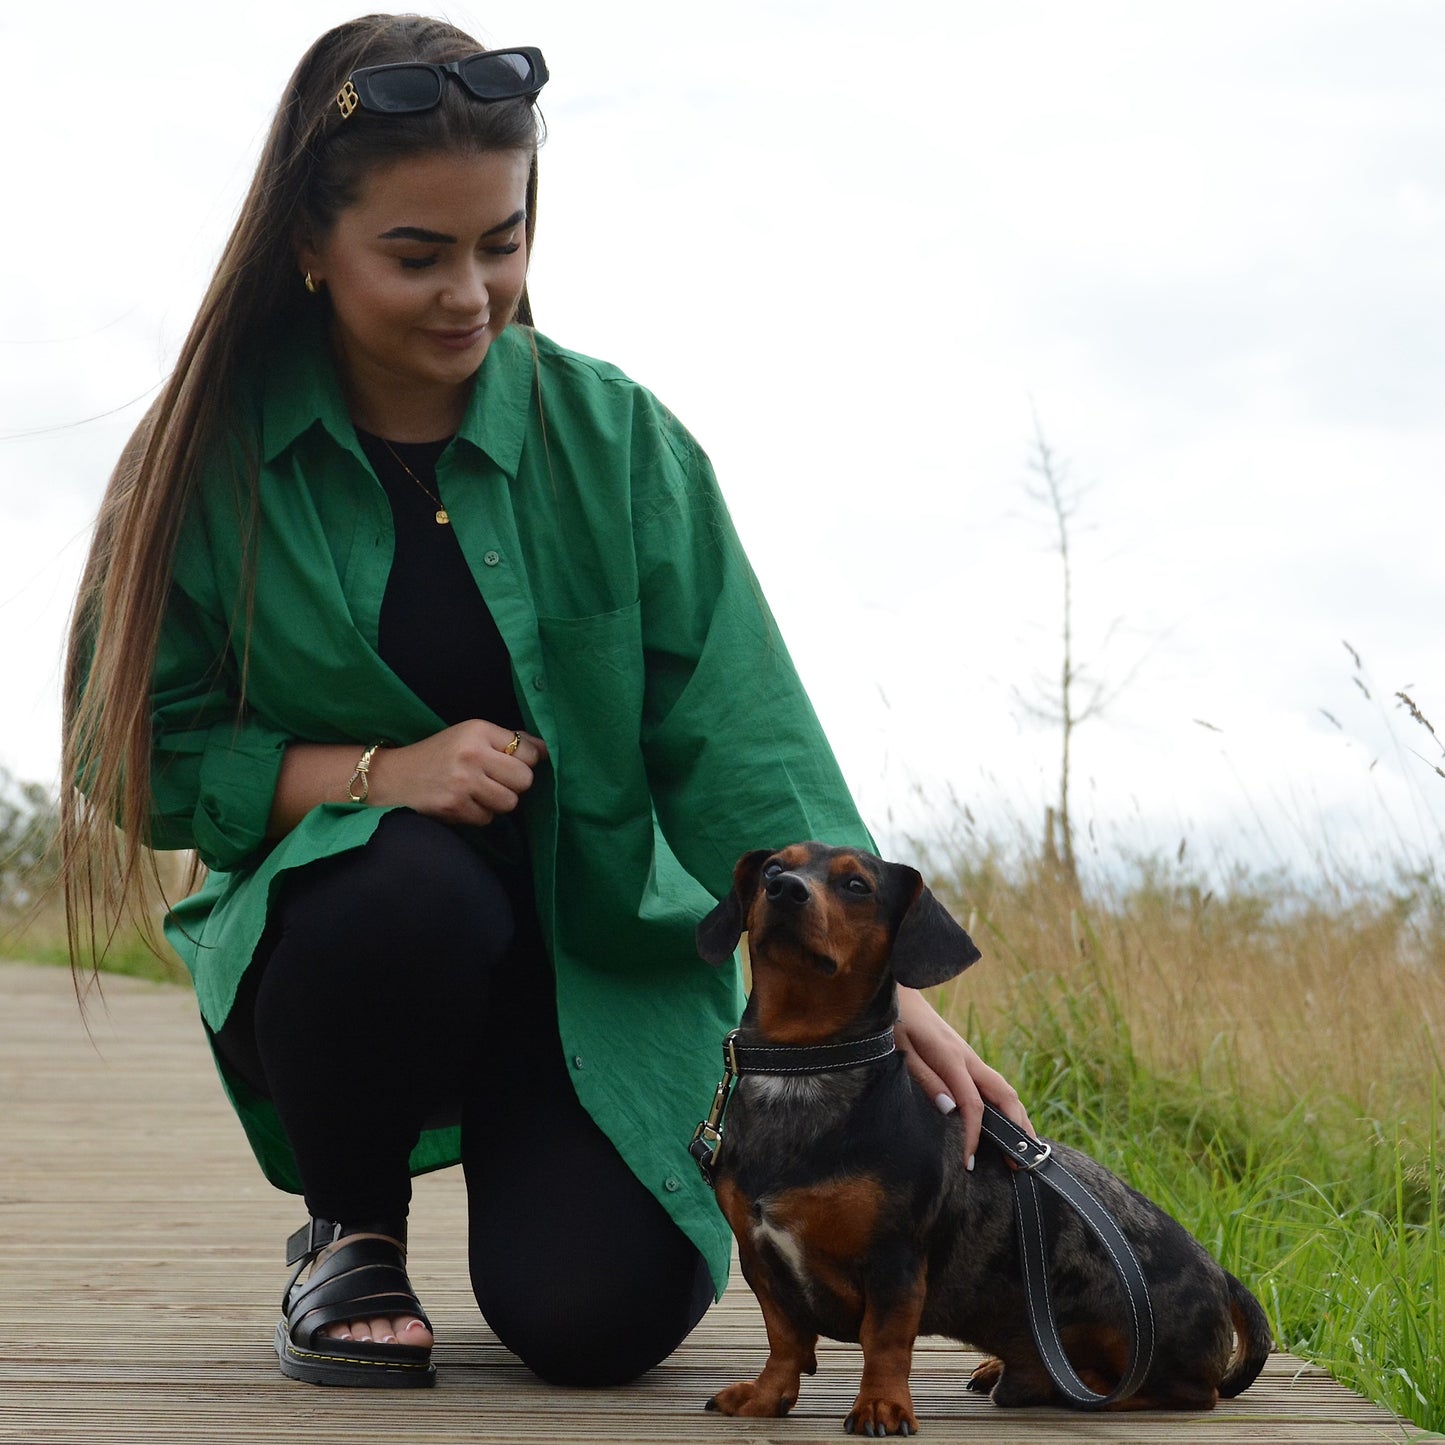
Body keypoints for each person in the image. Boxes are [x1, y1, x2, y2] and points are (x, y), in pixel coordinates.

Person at [62, 13, 1030, 1393]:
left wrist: (888, 1001)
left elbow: (741, 738)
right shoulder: (205, 465)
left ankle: (556, 1164)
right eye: (417, 252)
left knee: (592, 1322)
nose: (472, 290)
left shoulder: (619, 439)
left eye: (500, 240)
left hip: (595, 965)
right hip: (361, 949)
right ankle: (352, 1228)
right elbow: (132, 753)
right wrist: (367, 772)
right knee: (407, 883)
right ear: (306, 248)